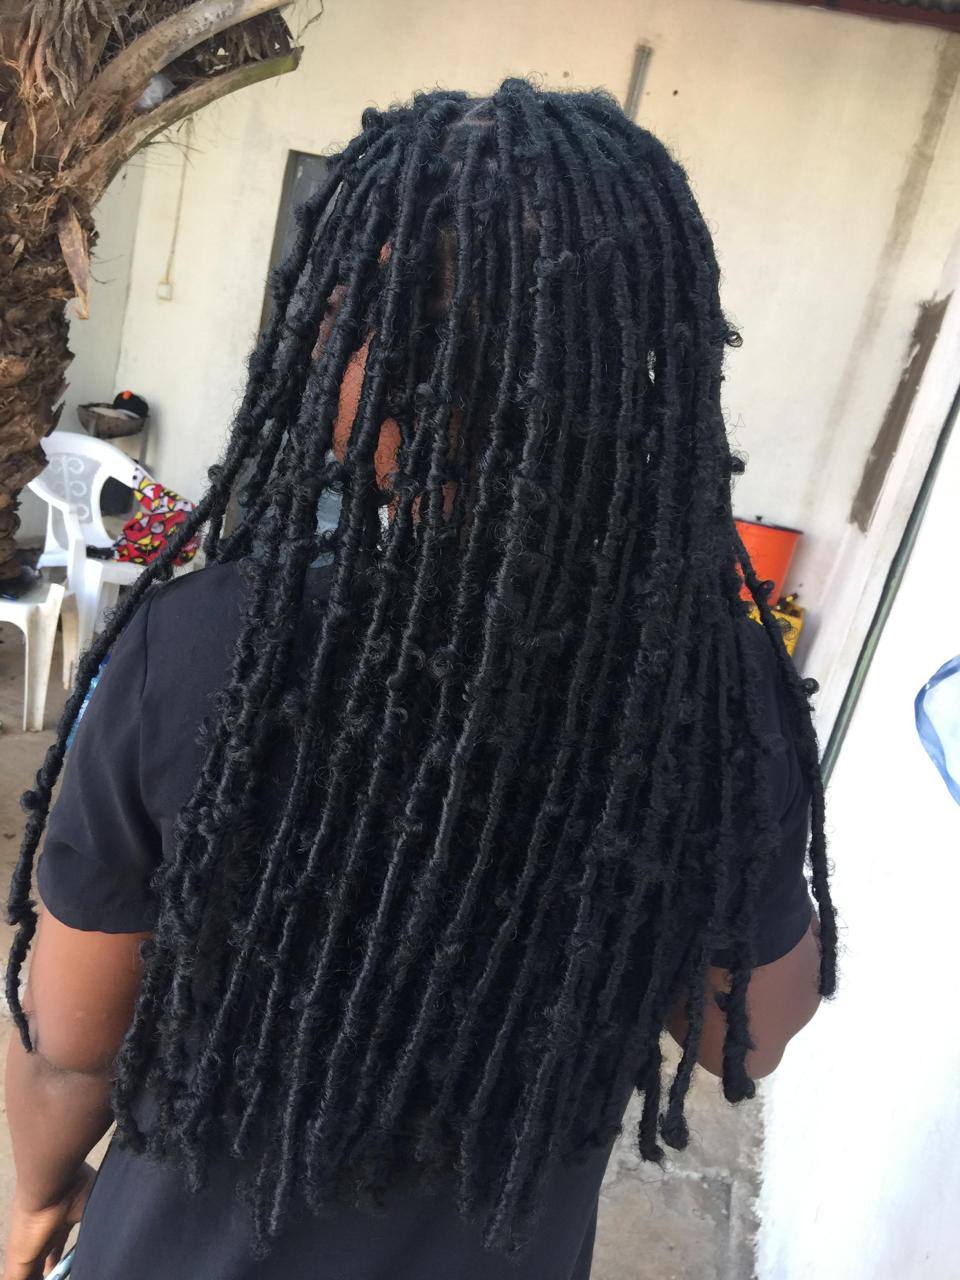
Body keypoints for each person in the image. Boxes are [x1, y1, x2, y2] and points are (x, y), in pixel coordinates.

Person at [2, 81, 836, 1280]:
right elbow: (742, 1034)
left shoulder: (200, 649)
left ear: (346, 358)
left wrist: (36, 1197)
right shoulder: (703, 688)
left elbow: (75, 1034)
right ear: (639, 366)